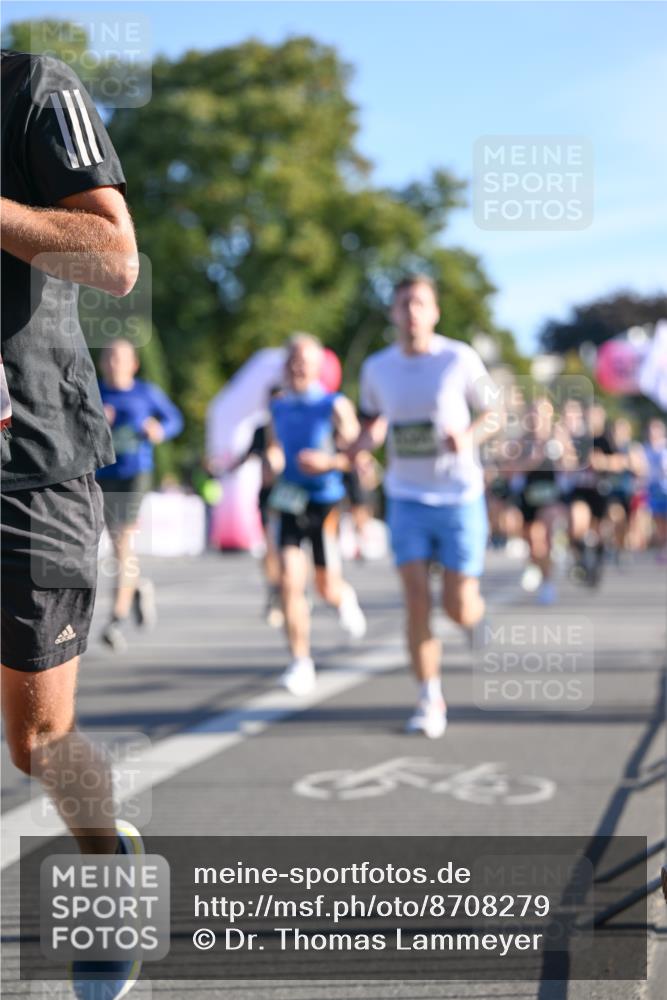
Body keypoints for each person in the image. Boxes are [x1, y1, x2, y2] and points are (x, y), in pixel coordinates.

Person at [1, 49, 143, 1000]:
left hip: (30, 468)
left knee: (39, 742)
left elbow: (114, 258)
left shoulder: (32, 90)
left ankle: (107, 858)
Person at [355, 274, 500, 738]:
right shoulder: (378, 367)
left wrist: (469, 436)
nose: (411, 311)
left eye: (419, 303)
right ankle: (429, 698)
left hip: (459, 497)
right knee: (416, 600)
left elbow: (495, 413)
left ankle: (476, 619)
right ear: (393, 314)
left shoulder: (459, 358)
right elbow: (374, 422)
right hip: (405, 496)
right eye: (403, 304)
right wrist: (356, 450)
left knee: (458, 606)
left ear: (434, 312)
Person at [266, 334, 367, 695]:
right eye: (293, 359)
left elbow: (360, 455)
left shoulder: (335, 404)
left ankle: (344, 598)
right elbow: (275, 445)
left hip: (325, 501)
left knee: (325, 586)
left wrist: (330, 462)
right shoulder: (277, 406)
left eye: (305, 360)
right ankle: (300, 662)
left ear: (318, 366)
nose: (298, 366)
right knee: (290, 581)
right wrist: (274, 458)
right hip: (291, 499)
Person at [97, 338, 183, 651]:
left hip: (136, 474)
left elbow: (175, 419)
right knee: (119, 546)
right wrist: (96, 421)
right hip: (103, 473)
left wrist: (158, 431)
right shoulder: (95, 392)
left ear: (133, 364)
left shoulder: (146, 392)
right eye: (108, 357)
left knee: (121, 541)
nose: (113, 363)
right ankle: (137, 586)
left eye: (120, 358)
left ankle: (115, 620)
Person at [644, 418, 667, 561]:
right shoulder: (646, 448)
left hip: (665, 489)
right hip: (654, 489)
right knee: (658, 521)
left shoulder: (664, 448)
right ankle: (662, 548)